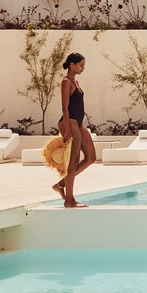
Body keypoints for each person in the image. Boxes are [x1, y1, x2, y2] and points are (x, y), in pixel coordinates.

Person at [54, 53, 96, 208]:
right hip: (69, 121)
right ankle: (69, 200)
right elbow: (64, 107)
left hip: (78, 122)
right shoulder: (66, 82)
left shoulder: (75, 82)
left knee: (91, 157)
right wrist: (67, 131)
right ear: (72, 65)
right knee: (73, 161)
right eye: (81, 65)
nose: (83, 68)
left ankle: (61, 184)